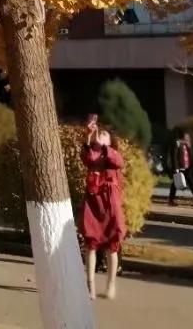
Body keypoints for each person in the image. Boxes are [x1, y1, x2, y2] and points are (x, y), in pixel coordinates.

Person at [80, 116, 127, 300]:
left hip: (111, 206)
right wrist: (89, 136)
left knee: (112, 247)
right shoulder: (93, 155)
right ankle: (90, 284)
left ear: (110, 140)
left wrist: (105, 147)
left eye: (104, 134)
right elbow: (87, 157)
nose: (101, 136)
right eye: (100, 133)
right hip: (93, 204)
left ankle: (111, 285)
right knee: (91, 245)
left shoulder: (113, 154)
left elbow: (118, 161)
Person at [169, 130, 193, 207]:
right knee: (175, 184)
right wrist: (176, 168)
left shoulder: (186, 145)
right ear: (183, 137)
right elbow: (174, 156)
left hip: (187, 168)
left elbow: (190, 155)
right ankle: (171, 201)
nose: (188, 138)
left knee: (191, 184)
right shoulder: (177, 143)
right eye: (187, 137)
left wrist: (189, 147)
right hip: (179, 168)